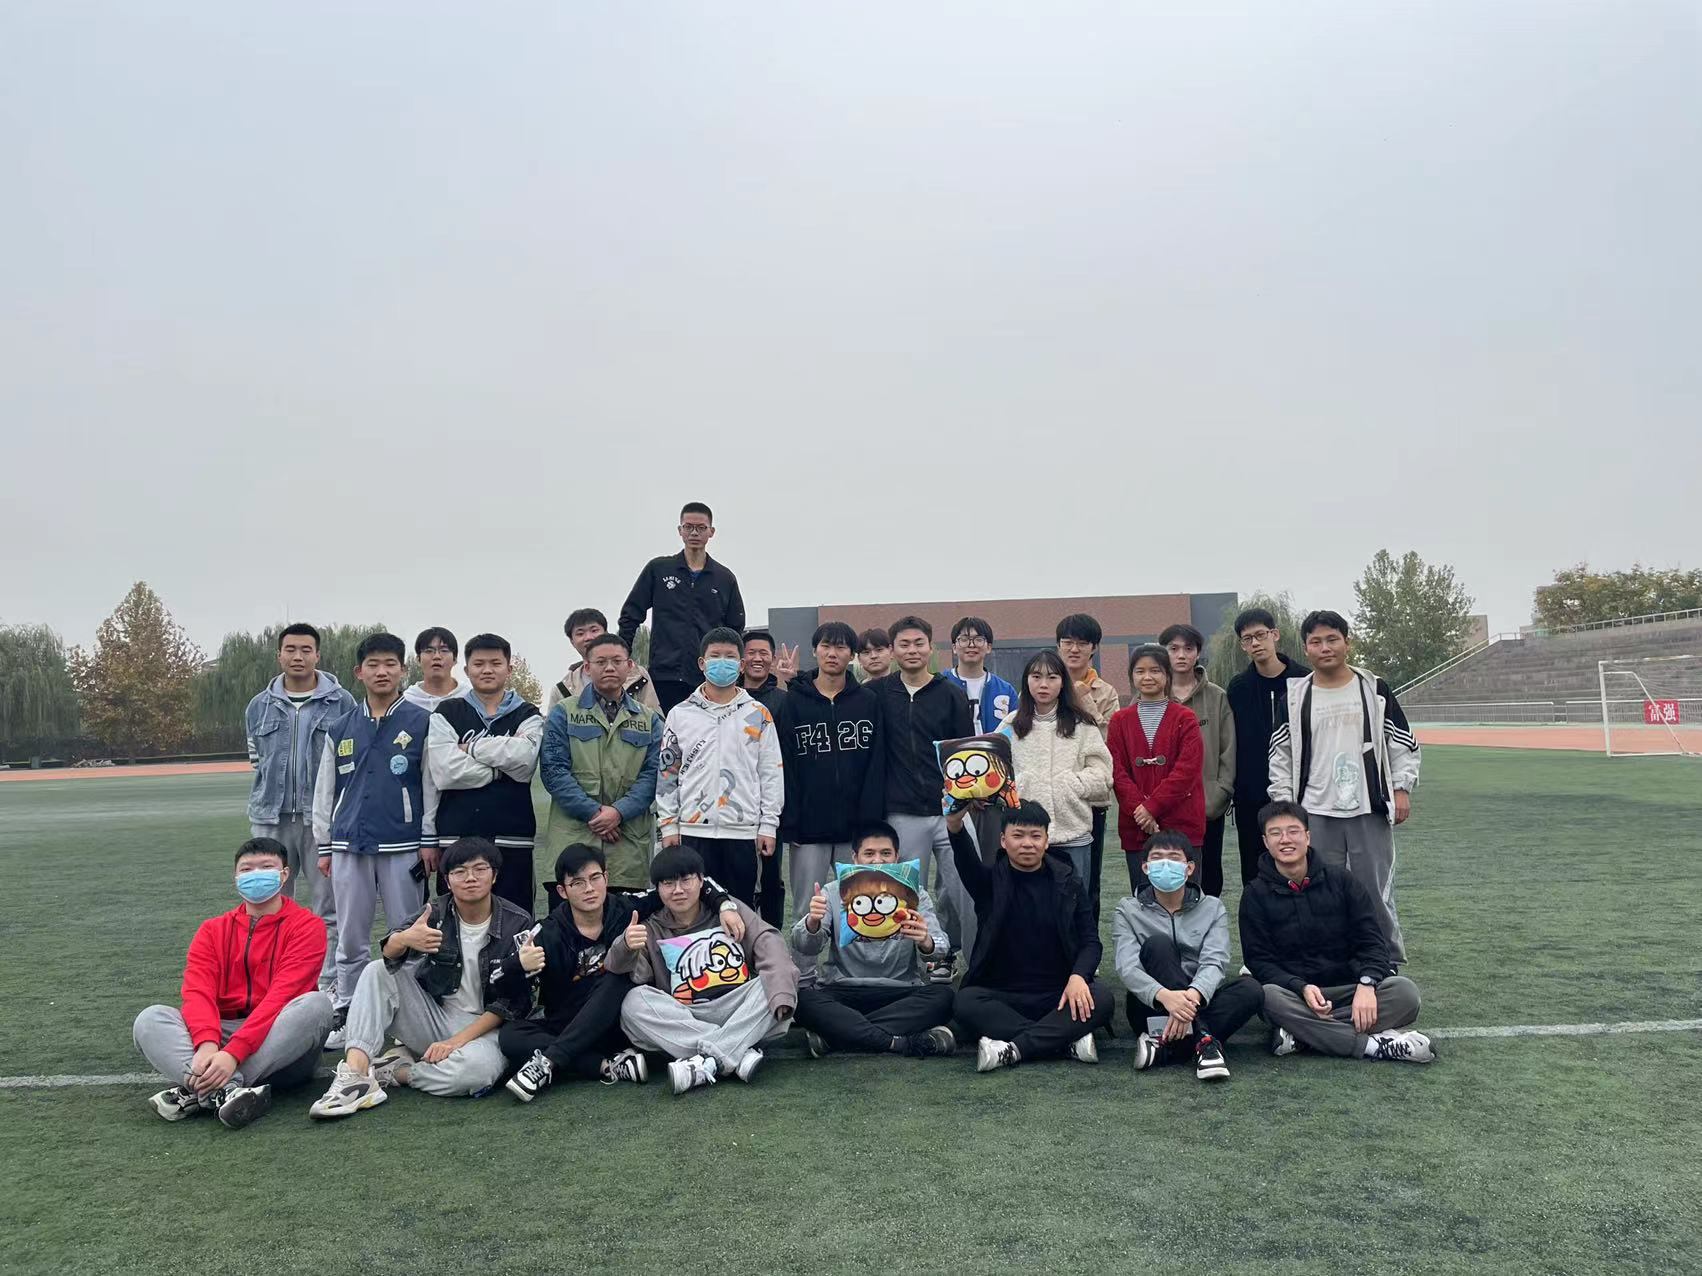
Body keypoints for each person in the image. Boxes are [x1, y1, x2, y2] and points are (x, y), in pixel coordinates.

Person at [498, 844, 746, 1100]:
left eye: (595, 878)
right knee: (510, 1036)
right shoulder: (546, 932)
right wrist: (518, 966)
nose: (589, 889)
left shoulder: (626, 907)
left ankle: (549, 1062)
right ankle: (606, 1066)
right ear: (562, 891)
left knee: (618, 976)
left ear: (606, 878)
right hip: (567, 1025)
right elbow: (498, 983)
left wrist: (725, 905)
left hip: (617, 1025)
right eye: (578, 883)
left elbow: (689, 883)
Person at [309, 838, 535, 1117]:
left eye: (480, 869)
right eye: (460, 871)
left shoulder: (517, 922)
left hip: (487, 1030)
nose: (471, 878)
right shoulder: (435, 913)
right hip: (435, 1019)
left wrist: (454, 1043)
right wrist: (403, 939)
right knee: (377, 971)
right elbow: (391, 951)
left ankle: (396, 1072)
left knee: (477, 1073)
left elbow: (511, 1004)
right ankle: (355, 1075)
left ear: (495, 875)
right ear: (447, 881)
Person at [133, 838, 334, 1129]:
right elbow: (198, 993)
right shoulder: (212, 930)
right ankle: (228, 1092)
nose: (256, 875)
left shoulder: (306, 926)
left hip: (279, 1045)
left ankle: (200, 1090)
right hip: (220, 1035)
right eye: (247, 869)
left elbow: (282, 996)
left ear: (284, 874)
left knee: (316, 1005)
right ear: (236, 877)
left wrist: (232, 1054)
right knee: (150, 1019)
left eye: (266, 867)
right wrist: (206, 1044)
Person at [1267, 610, 1421, 963]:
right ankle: (1331, 960)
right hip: (1314, 809)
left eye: (1332, 639)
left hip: (1368, 806)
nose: (1325, 648)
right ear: (1306, 648)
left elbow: (1401, 742)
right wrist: (1285, 805)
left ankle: (1384, 959)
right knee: (1321, 889)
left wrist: (1401, 788)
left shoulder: (1374, 688)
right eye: (1316, 641)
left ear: (1347, 642)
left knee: (1374, 890)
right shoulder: (1296, 696)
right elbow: (1280, 754)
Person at [313, 632, 436, 1048]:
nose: (382, 672)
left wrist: (429, 838)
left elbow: (430, 784)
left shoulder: (421, 722)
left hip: (403, 844)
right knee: (351, 935)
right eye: (373, 664)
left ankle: (410, 1016)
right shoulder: (341, 726)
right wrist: (325, 844)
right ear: (359, 672)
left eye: (390, 664)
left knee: (410, 931)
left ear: (403, 670)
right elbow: (325, 790)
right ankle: (348, 1009)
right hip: (349, 844)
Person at [1240, 802, 1432, 1063]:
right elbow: (1259, 961)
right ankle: (1371, 1046)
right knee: (1267, 997)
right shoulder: (1255, 894)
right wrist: (1301, 987)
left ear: (1308, 836)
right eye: (1276, 833)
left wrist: (1367, 984)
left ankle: (1301, 1034)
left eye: (1293, 831)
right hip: (1296, 995)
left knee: (1405, 993)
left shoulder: (1342, 881)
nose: (1285, 839)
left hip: (1349, 989)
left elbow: (1372, 941)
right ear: (1265, 841)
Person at [606, 845, 798, 1094]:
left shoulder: (729, 909)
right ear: (658, 888)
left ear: (701, 881)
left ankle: (706, 1062)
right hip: (685, 1015)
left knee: (776, 981)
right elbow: (631, 973)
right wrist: (625, 946)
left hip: (738, 1007)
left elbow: (768, 941)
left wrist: (781, 993)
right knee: (633, 1001)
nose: (678, 890)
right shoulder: (650, 926)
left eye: (686, 880)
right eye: (668, 883)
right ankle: (736, 1052)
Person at [949, 799, 1112, 1071]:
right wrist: (955, 826)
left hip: (1059, 993)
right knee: (965, 1002)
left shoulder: (1069, 882)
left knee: (1102, 998)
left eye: (1036, 836)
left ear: (1047, 841)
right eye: (1018, 835)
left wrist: (1078, 976)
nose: (1027, 843)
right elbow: (965, 859)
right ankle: (1063, 1042)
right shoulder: (988, 883)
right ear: (1003, 840)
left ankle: (1014, 1049)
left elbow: (1090, 942)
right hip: (1002, 994)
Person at [244, 622, 353, 991]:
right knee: (266, 904)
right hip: (269, 819)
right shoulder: (258, 706)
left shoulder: (342, 703)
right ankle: (273, 985)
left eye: (306, 650)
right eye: (290, 649)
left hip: (320, 821)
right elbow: (257, 761)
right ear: (279, 655)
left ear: (317, 655)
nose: (298, 656)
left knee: (329, 908)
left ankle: (328, 985)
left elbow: (347, 763)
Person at [790, 822, 955, 1057]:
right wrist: (812, 922)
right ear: (855, 858)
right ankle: (900, 1042)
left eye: (885, 853)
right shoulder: (832, 891)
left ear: (897, 857)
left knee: (944, 997)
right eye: (869, 853)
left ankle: (837, 1035)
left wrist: (926, 941)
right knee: (802, 1001)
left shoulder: (915, 893)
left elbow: (941, 948)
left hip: (901, 991)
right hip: (842, 989)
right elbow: (803, 945)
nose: (878, 860)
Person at [1113, 833, 1262, 1081]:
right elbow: (1127, 967)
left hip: (1198, 1000)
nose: (1165, 864)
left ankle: (1164, 1049)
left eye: (1174, 858)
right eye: (1157, 858)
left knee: (1252, 990)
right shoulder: (1127, 909)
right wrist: (1166, 997)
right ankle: (1204, 1040)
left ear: (1190, 868)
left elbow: (1215, 961)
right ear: (1145, 868)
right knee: (1158, 945)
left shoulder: (1212, 907)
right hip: (1151, 1005)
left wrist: (1190, 999)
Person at [776, 621, 885, 951]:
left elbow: (876, 763)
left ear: (852, 655)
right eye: (826, 646)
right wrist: (791, 819)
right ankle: (804, 973)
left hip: (856, 828)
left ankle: (854, 971)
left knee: (859, 905)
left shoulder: (867, 701)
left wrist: (871, 820)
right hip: (809, 828)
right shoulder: (794, 702)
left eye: (840, 647)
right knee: (807, 908)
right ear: (815, 651)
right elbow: (785, 765)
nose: (832, 653)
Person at [655, 627, 783, 909]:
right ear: (702, 663)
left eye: (730, 656)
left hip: (743, 832)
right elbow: (667, 773)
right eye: (715, 656)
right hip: (692, 830)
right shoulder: (680, 714)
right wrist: (669, 824)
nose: (722, 662)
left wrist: (768, 824)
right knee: (694, 911)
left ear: (741, 665)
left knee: (740, 911)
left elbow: (771, 773)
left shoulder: (758, 714)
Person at [873, 615, 975, 964]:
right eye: (904, 644)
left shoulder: (951, 694)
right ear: (892, 650)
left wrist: (962, 805)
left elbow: (964, 753)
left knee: (967, 894)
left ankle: (976, 966)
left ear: (931, 648)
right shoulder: (878, 694)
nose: (912, 650)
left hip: (951, 813)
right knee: (904, 898)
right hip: (902, 814)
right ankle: (911, 969)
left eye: (919, 643)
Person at [426, 633, 544, 916]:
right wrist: (499, 770)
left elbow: (525, 759)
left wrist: (471, 747)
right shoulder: (447, 711)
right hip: (456, 833)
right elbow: (445, 771)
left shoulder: (527, 712)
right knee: (455, 920)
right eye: (479, 664)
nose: (487, 670)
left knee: (516, 918)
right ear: (467, 670)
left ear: (509, 668)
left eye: (495, 663)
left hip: (513, 834)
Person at [539, 633, 664, 893]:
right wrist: (595, 814)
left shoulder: (650, 720)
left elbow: (654, 775)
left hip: (627, 845)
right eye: (601, 662)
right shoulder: (564, 712)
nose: (609, 668)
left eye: (617, 661)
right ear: (587, 667)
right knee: (569, 916)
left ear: (630, 666)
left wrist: (618, 813)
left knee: (627, 917)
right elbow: (553, 770)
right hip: (573, 838)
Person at [995, 650, 1112, 887]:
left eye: (1052, 677)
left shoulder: (1082, 724)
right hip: (1024, 834)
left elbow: (1103, 773)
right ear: (1026, 681)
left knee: (1074, 900)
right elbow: (994, 772)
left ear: (1062, 682)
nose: (1043, 684)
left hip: (1072, 831)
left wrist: (1072, 784)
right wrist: (1020, 786)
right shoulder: (1010, 725)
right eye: (1036, 677)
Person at [618, 501, 746, 714]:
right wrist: (622, 658)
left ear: (711, 532)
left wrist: (730, 671)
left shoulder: (724, 578)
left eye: (701, 527)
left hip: (706, 677)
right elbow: (631, 614)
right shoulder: (659, 569)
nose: (694, 533)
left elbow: (735, 629)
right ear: (680, 530)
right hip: (663, 675)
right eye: (689, 527)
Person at [1107, 644, 1204, 889]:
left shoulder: (1185, 717)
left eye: (1155, 671)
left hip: (1181, 821)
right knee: (1144, 897)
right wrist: (1141, 812)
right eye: (1140, 671)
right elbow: (1117, 770)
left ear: (1167, 675)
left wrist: (1153, 807)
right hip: (1136, 824)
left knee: (1186, 896)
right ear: (1132, 676)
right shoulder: (1119, 720)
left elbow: (1187, 769)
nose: (1147, 677)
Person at [1225, 607, 1309, 885]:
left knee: (1300, 867)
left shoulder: (1304, 681)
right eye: (1247, 639)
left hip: (1301, 793)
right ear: (1242, 645)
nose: (1255, 643)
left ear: (1275, 635)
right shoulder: (1238, 687)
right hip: (1251, 797)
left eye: (1261, 635)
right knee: (1254, 872)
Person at [1162, 623, 1237, 898]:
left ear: (1198, 653)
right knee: (1167, 877)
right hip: (1163, 809)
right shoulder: (1149, 696)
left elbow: (1228, 750)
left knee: (1209, 878)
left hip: (1207, 808)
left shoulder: (1217, 697)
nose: (1181, 655)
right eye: (1173, 648)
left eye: (1188, 648)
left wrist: (1219, 794)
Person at [1056, 612, 1120, 921]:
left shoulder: (1106, 692)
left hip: (1090, 800)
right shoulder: (1042, 684)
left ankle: (1087, 943)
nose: (1074, 649)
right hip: (1049, 796)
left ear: (1093, 648)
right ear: (1058, 646)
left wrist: (1085, 699)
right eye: (1067, 642)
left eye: (1082, 643)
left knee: (1088, 881)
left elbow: (1109, 743)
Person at [740, 627, 795, 927]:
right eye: (751, 653)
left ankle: (772, 936)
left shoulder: (784, 700)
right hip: (734, 803)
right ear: (741, 659)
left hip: (772, 805)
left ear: (772, 659)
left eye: (764, 653)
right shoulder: (727, 698)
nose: (757, 659)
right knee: (738, 878)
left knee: (772, 877)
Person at [544, 607, 660, 717]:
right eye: (580, 633)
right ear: (572, 641)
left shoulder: (638, 676)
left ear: (606, 632)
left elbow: (655, 720)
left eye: (594, 630)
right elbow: (553, 728)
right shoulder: (563, 690)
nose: (588, 637)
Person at [943, 616, 1019, 733]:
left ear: (989, 647)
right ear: (954, 647)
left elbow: (1016, 732)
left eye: (978, 639)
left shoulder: (1005, 691)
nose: (971, 645)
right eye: (964, 639)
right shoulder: (939, 685)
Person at [402, 627, 463, 710]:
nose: (437, 656)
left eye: (444, 650)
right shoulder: (407, 700)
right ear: (418, 659)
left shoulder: (469, 698)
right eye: (429, 651)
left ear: (455, 659)